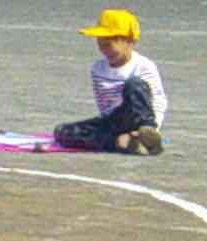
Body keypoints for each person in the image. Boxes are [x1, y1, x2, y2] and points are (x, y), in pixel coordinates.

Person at [55, 10, 167, 155]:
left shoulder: (143, 66)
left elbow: (157, 102)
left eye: (109, 45)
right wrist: (108, 130)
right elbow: (104, 107)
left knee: (134, 85)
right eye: (100, 45)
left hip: (137, 119)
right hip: (115, 120)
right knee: (63, 132)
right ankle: (121, 142)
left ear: (129, 42)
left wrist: (152, 128)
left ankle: (145, 137)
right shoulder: (97, 68)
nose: (104, 50)